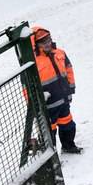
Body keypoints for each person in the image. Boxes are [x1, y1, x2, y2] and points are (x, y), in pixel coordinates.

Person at [32, 26, 81, 154]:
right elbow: (27, 88)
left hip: (63, 101)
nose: (47, 44)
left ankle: (68, 146)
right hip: (47, 107)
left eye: (48, 40)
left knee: (68, 126)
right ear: (36, 44)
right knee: (49, 132)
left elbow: (69, 70)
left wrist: (70, 90)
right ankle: (50, 156)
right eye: (43, 42)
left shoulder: (60, 53)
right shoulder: (33, 63)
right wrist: (34, 103)